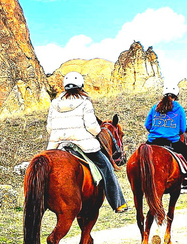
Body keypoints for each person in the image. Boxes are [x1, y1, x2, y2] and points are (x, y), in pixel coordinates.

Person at [46, 72, 128, 213]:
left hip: (58, 146)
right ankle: (118, 203)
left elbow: (49, 128)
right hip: (82, 145)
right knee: (106, 166)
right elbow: (92, 127)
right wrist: (97, 133)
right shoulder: (85, 103)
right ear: (81, 86)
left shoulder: (54, 104)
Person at [144, 84, 187, 194]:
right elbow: (183, 128)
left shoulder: (155, 107)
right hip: (171, 142)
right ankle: (185, 183)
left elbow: (147, 125)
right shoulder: (179, 108)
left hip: (152, 142)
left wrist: (156, 131)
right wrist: (172, 131)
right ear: (176, 96)